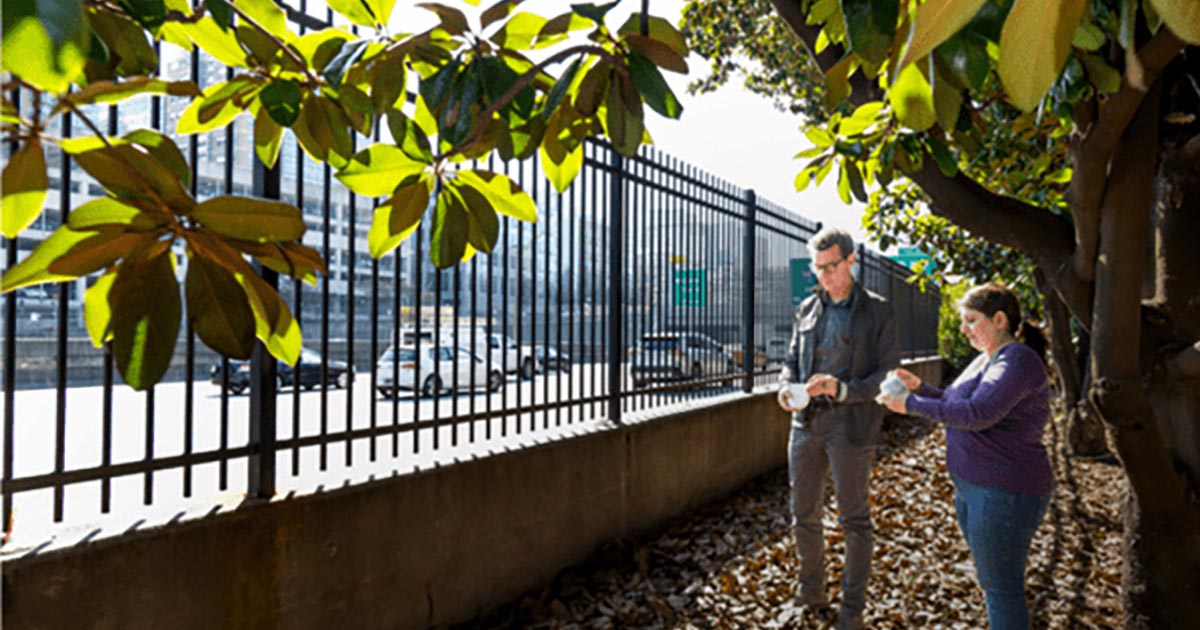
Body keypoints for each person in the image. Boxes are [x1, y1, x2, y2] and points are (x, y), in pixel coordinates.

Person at [879, 282, 1052, 630]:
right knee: (994, 586)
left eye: (971, 320)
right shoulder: (987, 359)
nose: (963, 329)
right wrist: (920, 388)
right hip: (977, 489)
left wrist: (910, 404)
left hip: (1004, 492)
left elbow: (978, 413)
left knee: (1002, 591)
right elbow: (956, 404)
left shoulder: (1017, 360)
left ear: (999, 319)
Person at [776, 228, 899, 629]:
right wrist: (784, 385)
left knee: (854, 520)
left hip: (851, 423)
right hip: (806, 421)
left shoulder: (879, 311)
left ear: (850, 260)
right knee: (803, 513)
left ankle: (851, 611)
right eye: (818, 268)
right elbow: (792, 359)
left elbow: (887, 374)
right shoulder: (808, 307)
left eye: (832, 266)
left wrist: (842, 388)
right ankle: (811, 593)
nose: (825, 276)